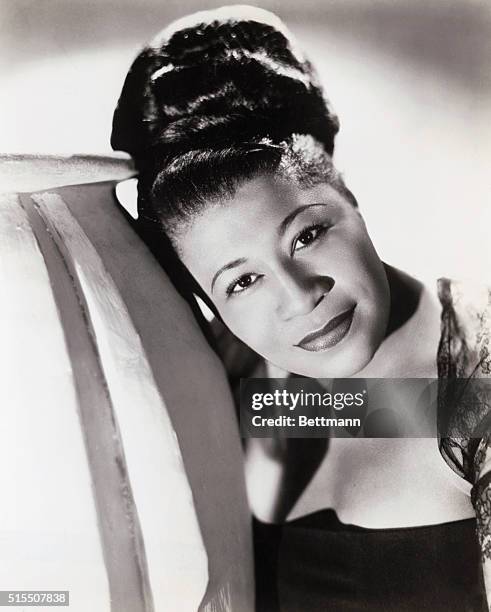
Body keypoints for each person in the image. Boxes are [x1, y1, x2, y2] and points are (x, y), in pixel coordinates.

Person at [111, 6, 491, 610]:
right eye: (242, 283)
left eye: (307, 235)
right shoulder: (232, 379)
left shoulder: (479, 375)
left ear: (344, 189)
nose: (299, 297)